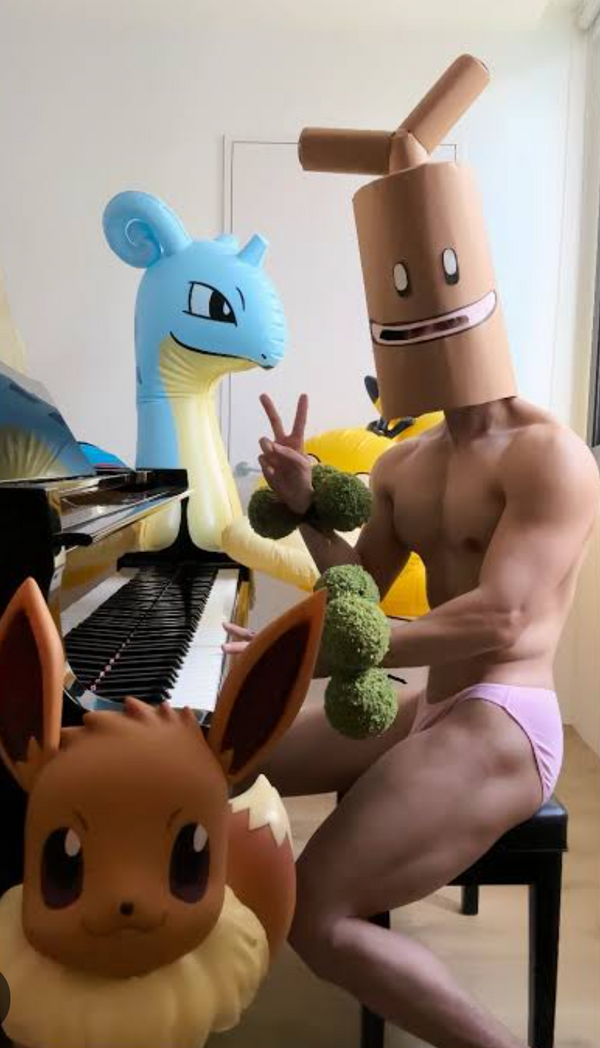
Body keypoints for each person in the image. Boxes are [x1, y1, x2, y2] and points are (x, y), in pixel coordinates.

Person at [224, 53, 600, 1048]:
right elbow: (362, 587)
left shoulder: (552, 456)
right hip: (428, 701)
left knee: (316, 909)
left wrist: (326, 650)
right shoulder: (407, 460)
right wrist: (306, 508)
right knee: (224, 753)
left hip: (505, 719)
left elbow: (503, 618)